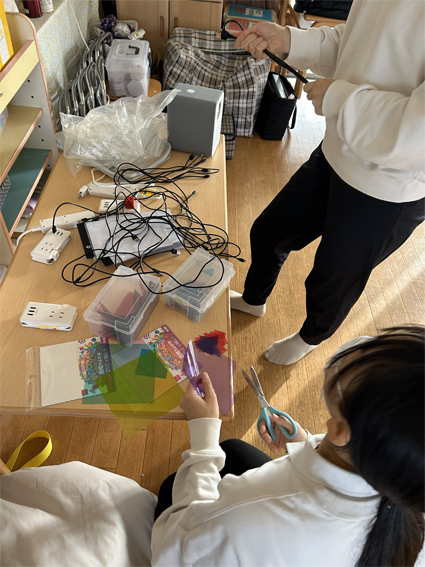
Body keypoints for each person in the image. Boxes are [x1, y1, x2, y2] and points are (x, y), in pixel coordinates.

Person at [227, 0, 425, 365]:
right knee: (269, 231)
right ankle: (254, 299)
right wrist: (290, 40)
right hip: (338, 149)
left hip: (390, 185)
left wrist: (340, 99)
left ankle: (310, 337)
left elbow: (419, 131)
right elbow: (363, 41)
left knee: (332, 281)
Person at [151, 327, 424, 566]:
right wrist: (304, 442)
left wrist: (203, 431)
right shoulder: (406, 481)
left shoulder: (250, 514)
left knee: (168, 489)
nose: (364, 350)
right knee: (233, 449)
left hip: (205, 536)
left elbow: (172, 547)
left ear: (341, 430)